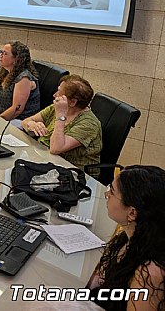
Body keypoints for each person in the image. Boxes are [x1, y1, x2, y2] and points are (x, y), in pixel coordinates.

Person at [88, 165, 165, 311]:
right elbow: (105, 278)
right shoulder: (131, 235)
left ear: (131, 213)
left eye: (112, 191)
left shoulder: (149, 274)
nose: (106, 194)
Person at [21, 74, 102, 171]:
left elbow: (56, 148)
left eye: (59, 92)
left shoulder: (88, 124)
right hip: (45, 159)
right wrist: (31, 125)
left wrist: (61, 115)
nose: (54, 95)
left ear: (72, 102)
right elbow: (26, 121)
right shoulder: (57, 107)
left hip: (72, 172)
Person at [0, 41, 40, 121]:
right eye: (1, 52)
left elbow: (17, 110)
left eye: (4, 54)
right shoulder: (2, 72)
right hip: (3, 115)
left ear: (16, 59)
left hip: (20, 121)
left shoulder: (24, 78)